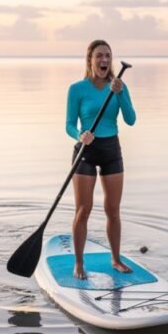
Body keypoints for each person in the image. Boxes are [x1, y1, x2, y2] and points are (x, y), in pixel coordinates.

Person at [66, 39, 136, 280]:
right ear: (90, 60)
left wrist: (121, 93)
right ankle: (78, 263)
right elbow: (69, 124)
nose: (104, 59)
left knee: (113, 211)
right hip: (86, 151)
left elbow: (131, 120)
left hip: (111, 151)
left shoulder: (118, 87)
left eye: (108, 55)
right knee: (83, 210)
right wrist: (79, 134)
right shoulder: (77, 89)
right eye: (99, 55)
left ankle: (116, 260)